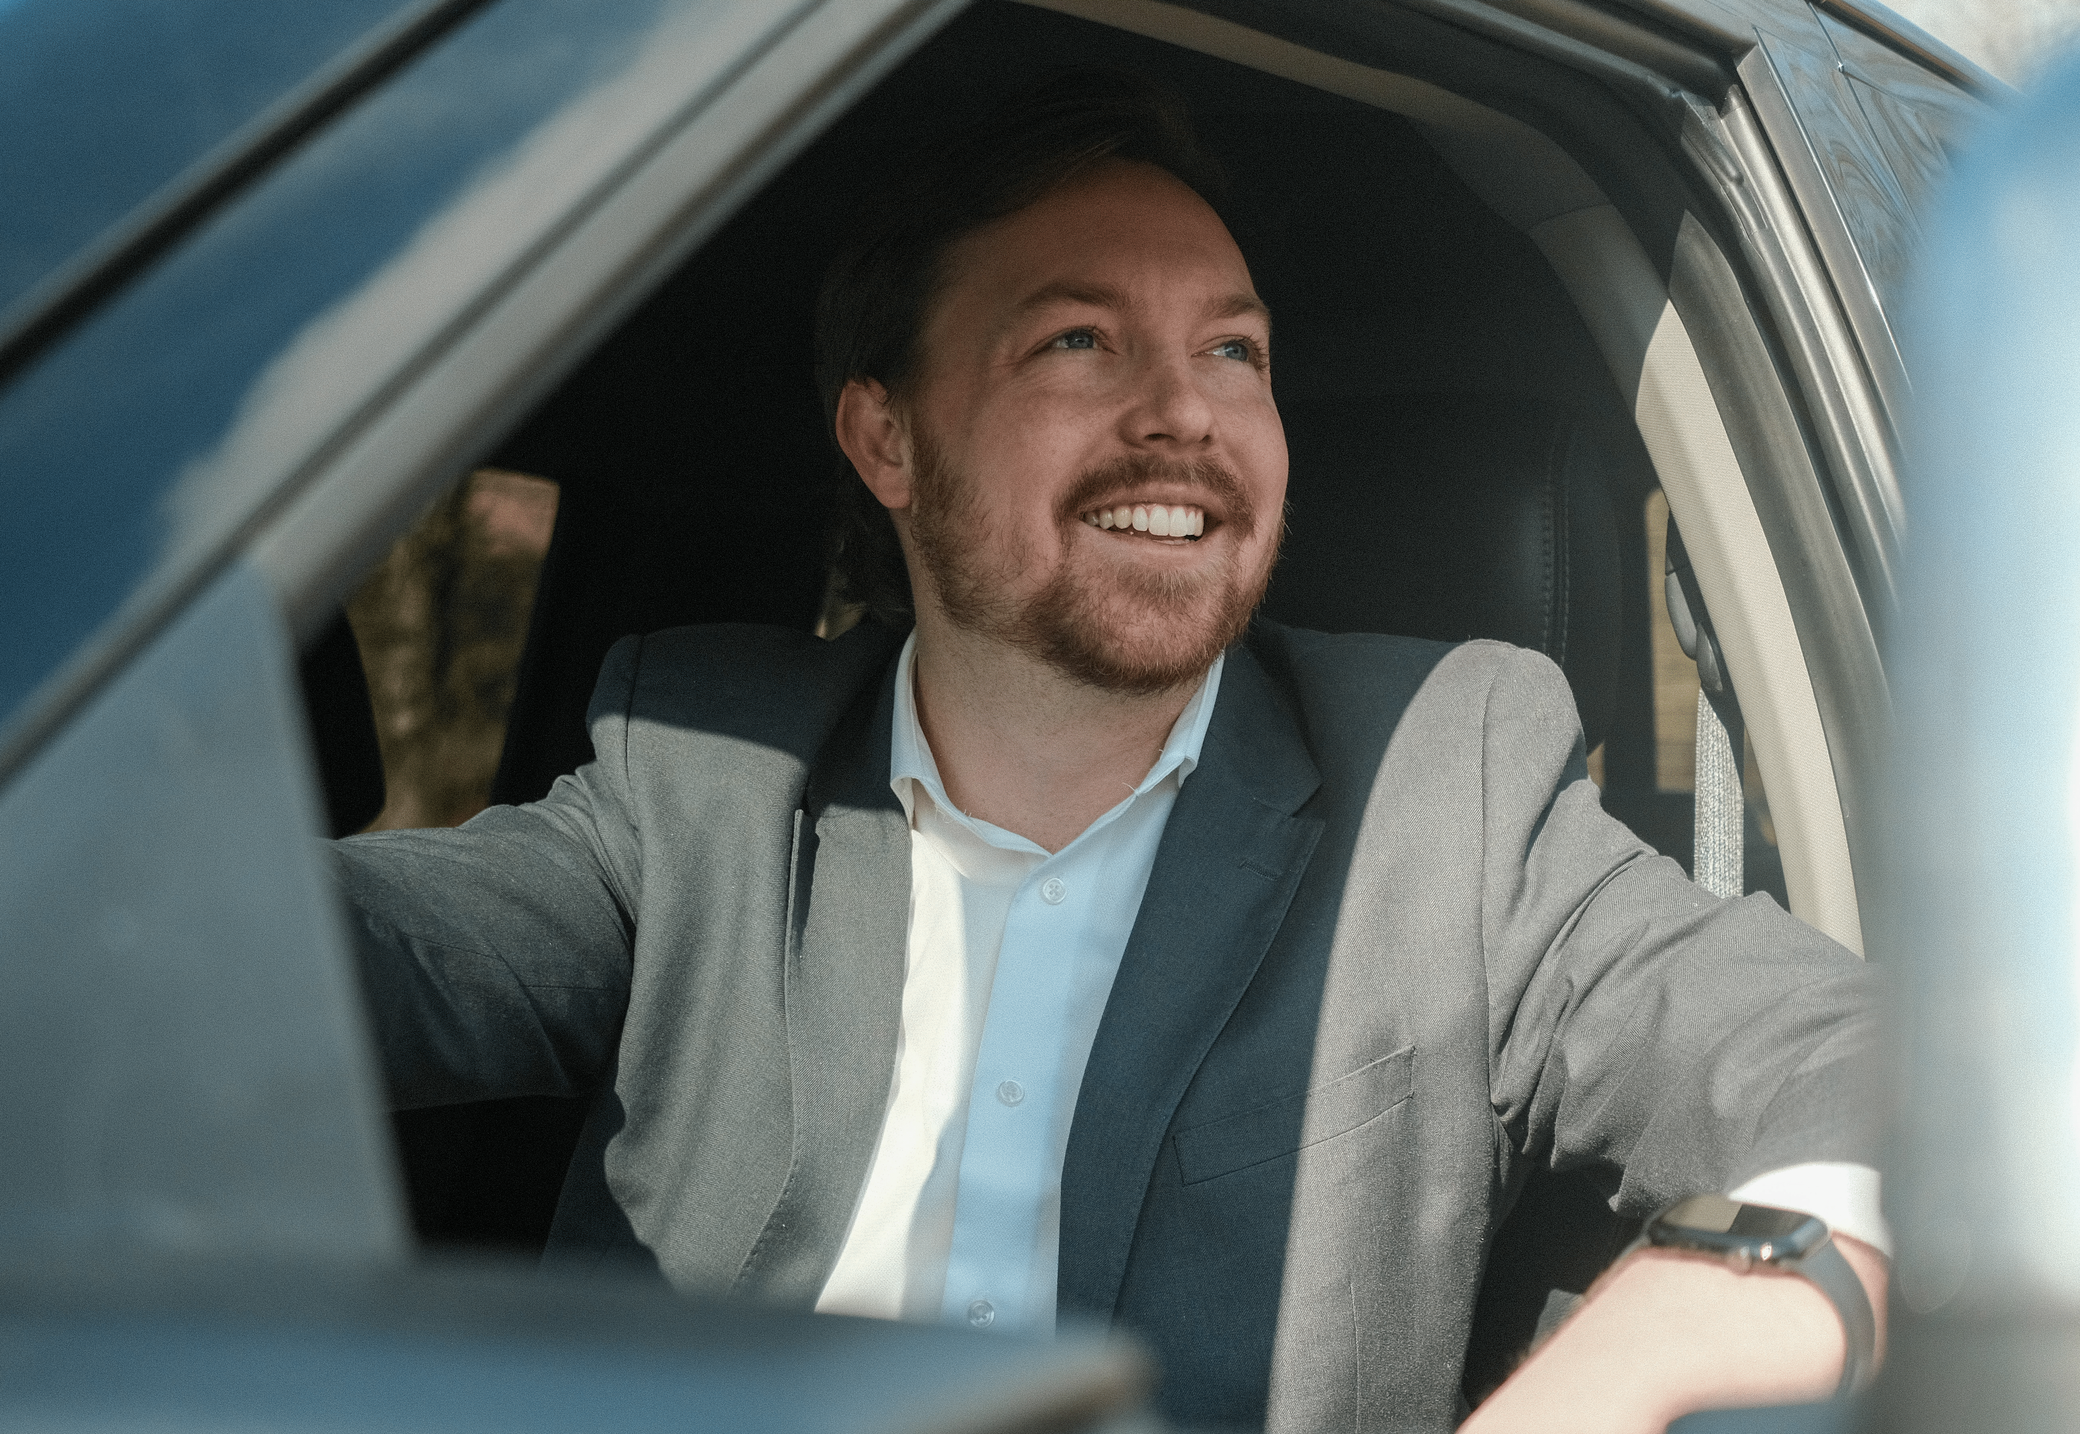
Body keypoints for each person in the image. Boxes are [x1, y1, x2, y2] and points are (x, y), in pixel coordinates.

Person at [333, 71, 1888, 1433]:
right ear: (886, 439)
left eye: (1235, 354)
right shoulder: (704, 772)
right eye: (1079, 340)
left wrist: (1648, 1353)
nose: (1186, 417)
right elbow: (328, 959)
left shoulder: (1451, 792)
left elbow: (1897, 1083)